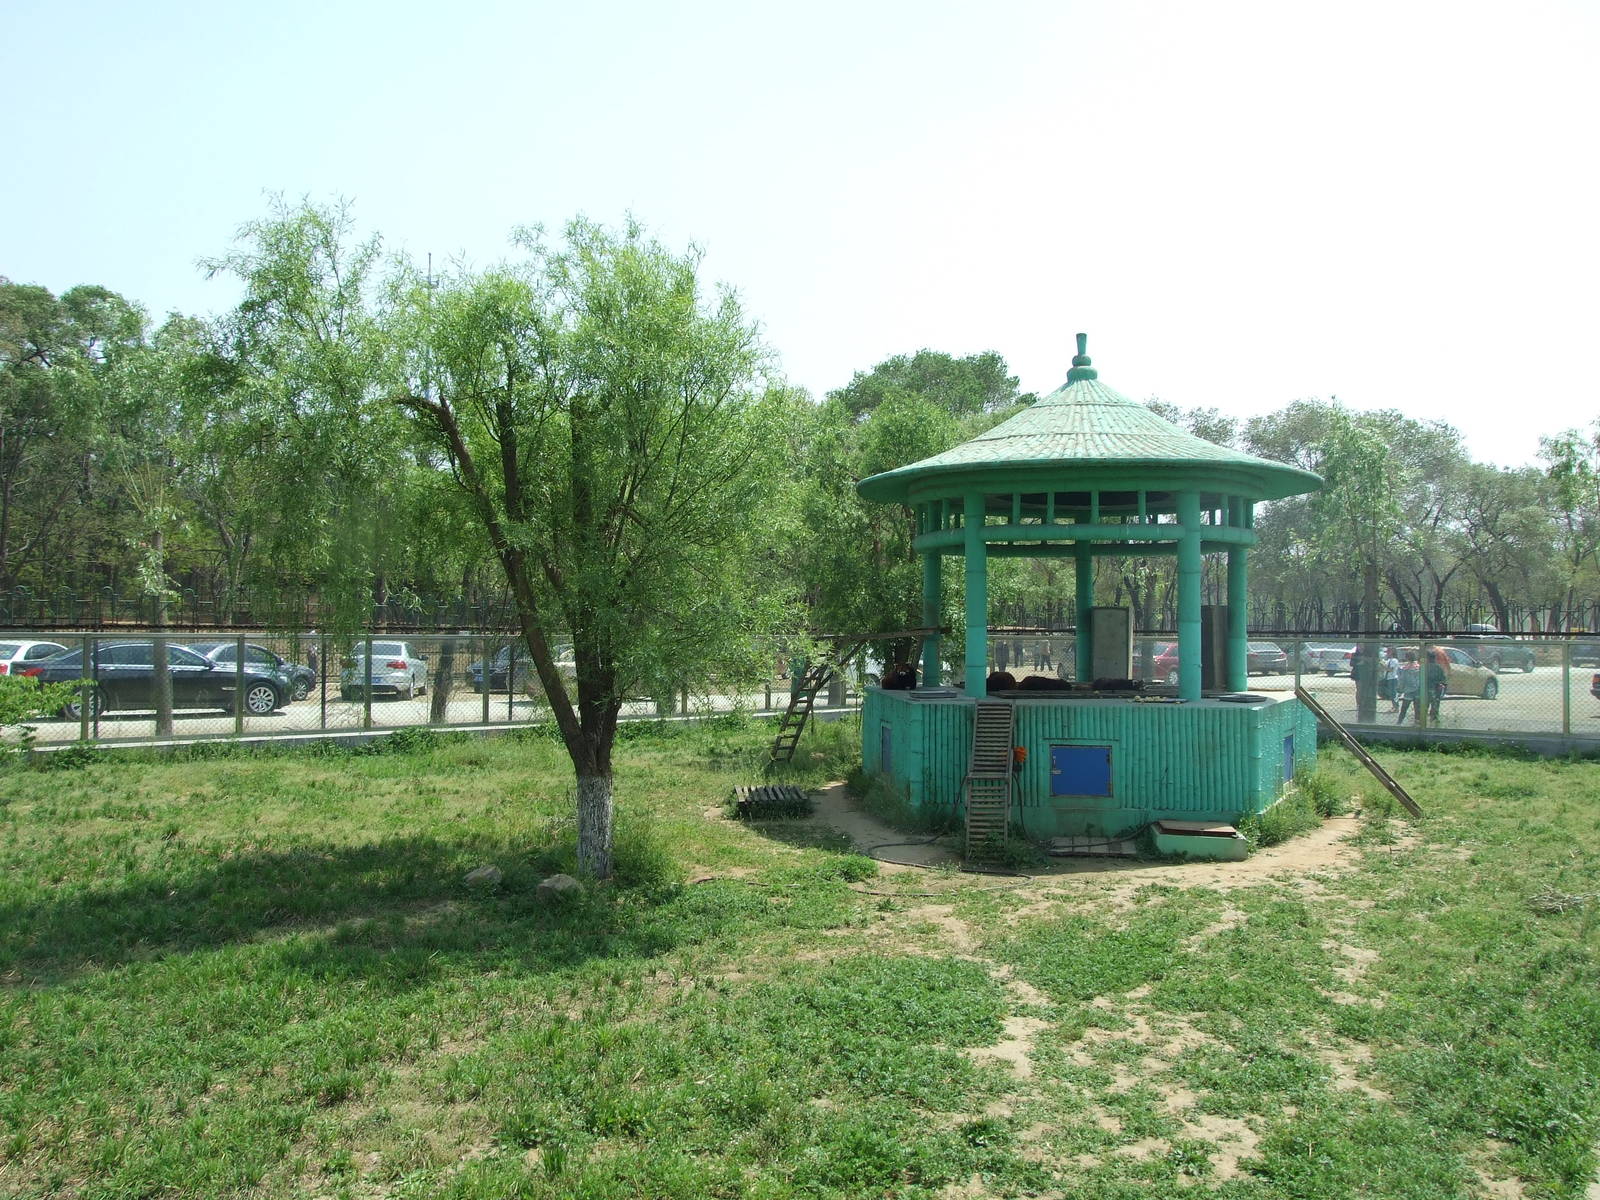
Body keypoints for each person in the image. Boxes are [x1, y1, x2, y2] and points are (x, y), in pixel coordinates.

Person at [1395, 652, 1421, 724]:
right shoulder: (1419, 667)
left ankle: (1399, 722)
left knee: (1404, 708)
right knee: (1417, 708)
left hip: (1408, 690)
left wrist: (1400, 689)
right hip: (1418, 689)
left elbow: (1402, 680)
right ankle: (1417, 722)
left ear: (1407, 658)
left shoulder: (1405, 668)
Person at [1424, 646, 1447, 723]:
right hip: (1436, 689)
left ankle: (1423, 719)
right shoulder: (1438, 667)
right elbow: (1443, 679)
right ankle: (1434, 718)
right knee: (1435, 704)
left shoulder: (1424, 667)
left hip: (1426, 689)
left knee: (1425, 705)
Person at [1380, 647, 1401, 711]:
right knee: (1391, 694)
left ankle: (1396, 707)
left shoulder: (1394, 660)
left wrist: (1383, 666)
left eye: (1389, 651)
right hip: (1389, 678)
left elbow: (1390, 669)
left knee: (1394, 694)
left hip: (1393, 679)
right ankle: (1394, 706)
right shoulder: (1389, 660)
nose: (1387, 653)